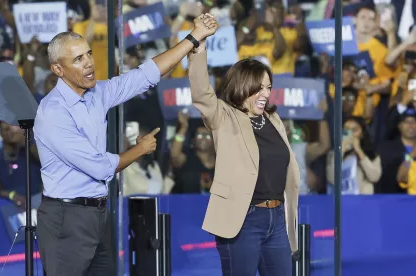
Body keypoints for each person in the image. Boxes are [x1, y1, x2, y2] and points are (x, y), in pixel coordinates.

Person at [34, 18, 216, 276]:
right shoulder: (54, 113)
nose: (88, 63)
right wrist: (140, 150)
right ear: (57, 69)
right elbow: (99, 167)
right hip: (66, 218)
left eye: (88, 54)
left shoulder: (98, 93)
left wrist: (193, 37)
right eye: (77, 59)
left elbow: (146, 75)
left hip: (97, 214)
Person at [188, 13, 299, 276]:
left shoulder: (273, 118)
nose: (266, 94)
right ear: (242, 85)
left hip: (277, 219)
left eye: (268, 87)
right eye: (259, 88)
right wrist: (199, 45)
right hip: (242, 220)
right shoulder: (223, 116)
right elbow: (202, 93)